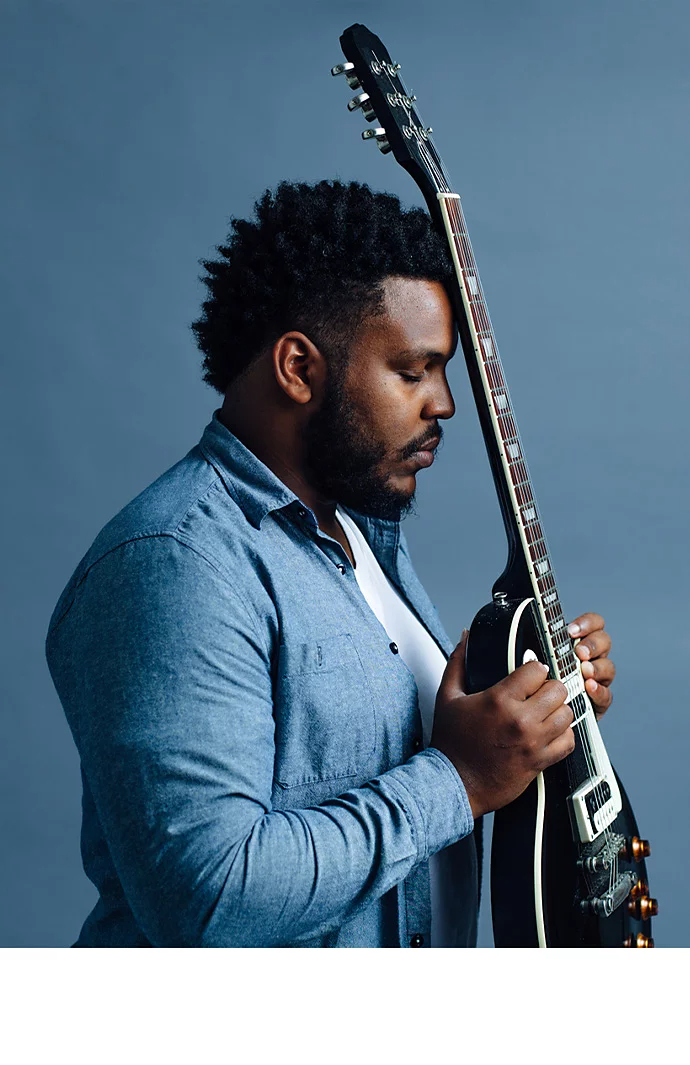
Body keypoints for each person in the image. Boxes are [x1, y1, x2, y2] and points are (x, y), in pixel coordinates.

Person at [45, 179, 615, 947]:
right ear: (298, 368)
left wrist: (527, 718)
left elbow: (419, 769)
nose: (444, 403)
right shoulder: (176, 564)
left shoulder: (364, 537)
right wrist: (459, 776)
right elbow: (209, 901)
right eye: (413, 371)